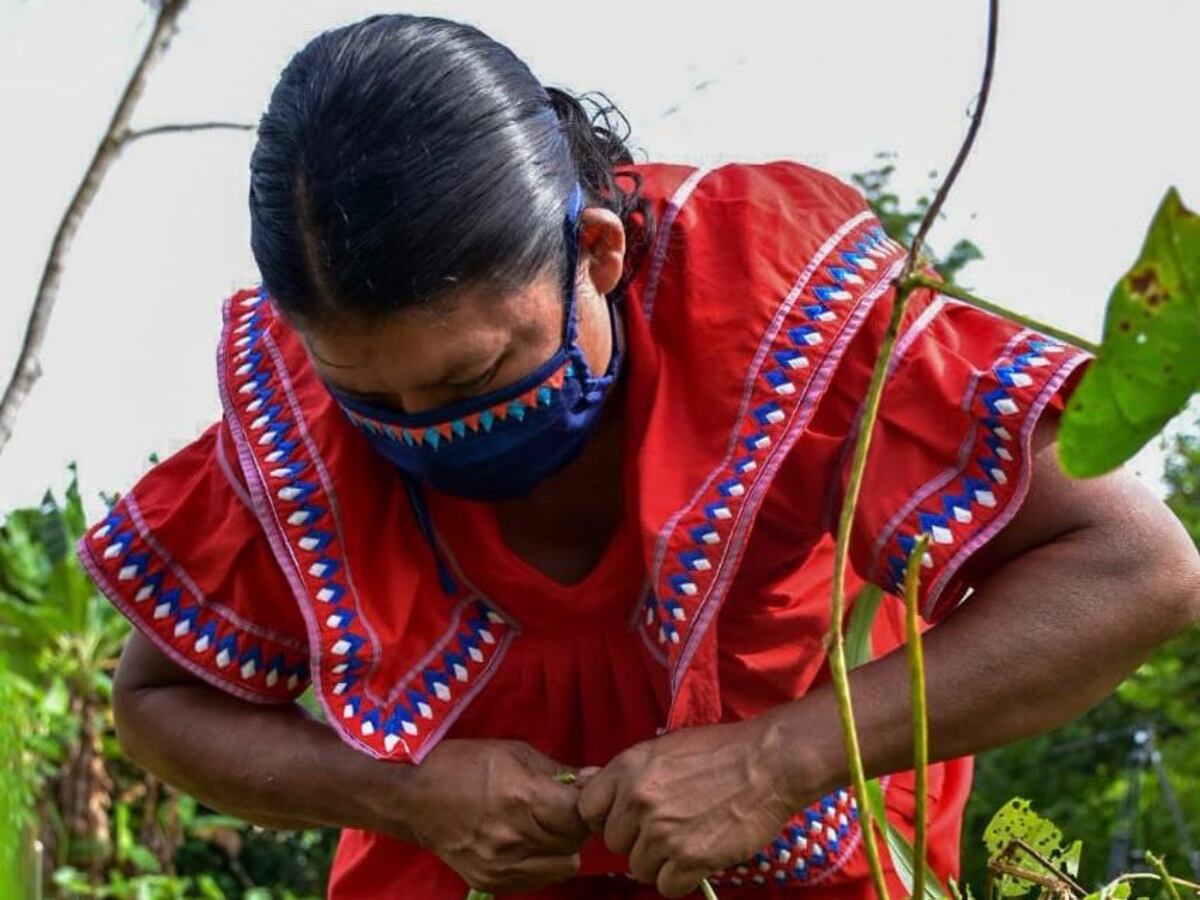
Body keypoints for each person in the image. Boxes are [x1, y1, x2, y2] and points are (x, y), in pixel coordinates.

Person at [77, 13, 1200, 900]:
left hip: (818, 876)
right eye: (372, 394)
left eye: (471, 380)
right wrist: (400, 795)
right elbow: (159, 701)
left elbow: (1136, 566)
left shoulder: (781, 309)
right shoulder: (292, 413)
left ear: (598, 253)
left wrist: (779, 759)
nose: (423, 427)